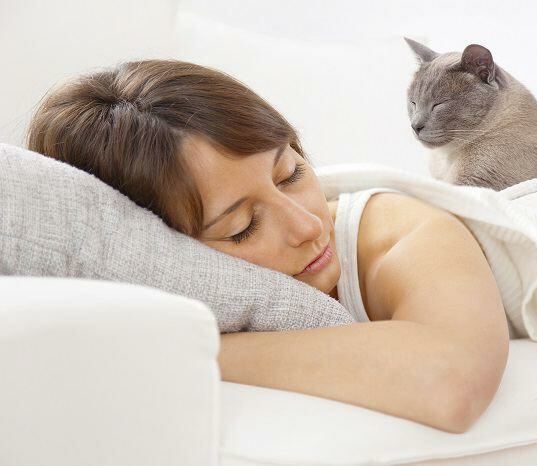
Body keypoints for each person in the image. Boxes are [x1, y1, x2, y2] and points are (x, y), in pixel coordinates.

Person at [26, 59, 510, 434]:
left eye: (291, 173)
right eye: (241, 227)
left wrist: (189, 348)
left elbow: (451, 382)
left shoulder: (394, 231)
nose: (305, 225)